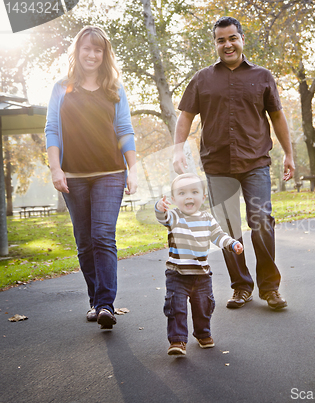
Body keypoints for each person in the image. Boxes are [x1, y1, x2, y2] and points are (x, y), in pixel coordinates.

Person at [173, 16, 295, 311]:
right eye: (220, 40)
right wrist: (178, 149)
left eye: (232, 38)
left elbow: (277, 116)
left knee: (261, 222)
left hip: (255, 162)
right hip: (217, 165)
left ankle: (270, 288)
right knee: (228, 229)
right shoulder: (202, 79)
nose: (227, 44)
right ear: (215, 43)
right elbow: (186, 116)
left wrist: (289, 154)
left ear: (242, 39)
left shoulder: (263, 76)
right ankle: (241, 287)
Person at [45, 26, 137, 330]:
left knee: (101, 235)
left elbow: (124, 130)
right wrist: (56, 168)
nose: (92, 55)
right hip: (73, 175)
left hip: (110, 172)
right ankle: (95, 301)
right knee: (84, 241)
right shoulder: (61, 88)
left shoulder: (114, 88)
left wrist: (132, 168)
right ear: (77, 51)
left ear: (104, 54)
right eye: (87, 48)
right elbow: (52, 131)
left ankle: (105, 304)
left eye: (98, 50)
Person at [155, 173, 243, 356]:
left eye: (194, 192)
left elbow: (219, 235)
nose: (188, 196)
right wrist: (159, 208)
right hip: (177, 274)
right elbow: (162, 217)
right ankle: (177, 340)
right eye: (182, 193)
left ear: (203, 197)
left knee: (203, 306)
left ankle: (203, 334)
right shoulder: (174, 217)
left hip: (201, 275)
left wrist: (232, 243)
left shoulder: (207, 219)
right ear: (174, 199)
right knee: (176, 307)